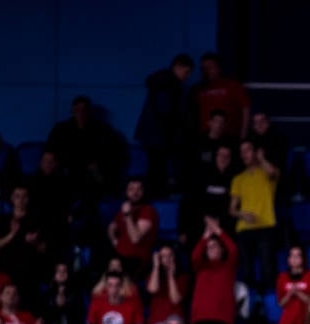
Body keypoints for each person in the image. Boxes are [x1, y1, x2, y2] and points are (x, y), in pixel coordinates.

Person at [134, 53, 194, 195]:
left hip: (155, 134)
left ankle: (157, 192)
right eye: (186, 72)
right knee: (157, 167)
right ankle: (157, 194)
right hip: (159, 135)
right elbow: (165, 112)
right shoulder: (168, 85)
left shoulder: (163, 82)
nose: (187, 77)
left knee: (157, 166)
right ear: (178, 67)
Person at [229, 139, 279, 296]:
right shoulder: (238, 179)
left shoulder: (268, 172)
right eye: (242, 151)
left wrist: (261, 158)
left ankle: (268, 307)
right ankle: (249, 307)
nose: (245, 154)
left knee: (267, 269)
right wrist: (242, 214)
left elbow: (273, 173)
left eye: (248, 150)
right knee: (246, 271)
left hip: (265, 226)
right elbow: (231, 209)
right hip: (245, 229)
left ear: (256, 151)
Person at [106, 177, 158, 282]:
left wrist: (128, 216)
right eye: (131, 189)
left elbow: (135, 238)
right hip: (120, 258)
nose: (135, 192)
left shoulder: (148, 211)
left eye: (139, 189)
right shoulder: (124, 208)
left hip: (137, 262)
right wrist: (115, 242)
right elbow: (111, 228)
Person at [189, 53, 250, 139]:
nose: (206, 71)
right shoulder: (197, 89)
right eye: (203, 68)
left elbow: (246, 110)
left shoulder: (233, 85)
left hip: (230, 137)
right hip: (206, 139)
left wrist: (243, 136)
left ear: (219, 68)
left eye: (210, 68)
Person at [275, 246, 310, 324]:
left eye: (298, 256)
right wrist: (290, 293)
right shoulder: (282, 277)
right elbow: (281, 303)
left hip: (306, 322)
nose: (294, 259)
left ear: (303, 259)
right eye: (291, 256)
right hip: (288, 323)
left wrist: (298, 293)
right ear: (288, 259)